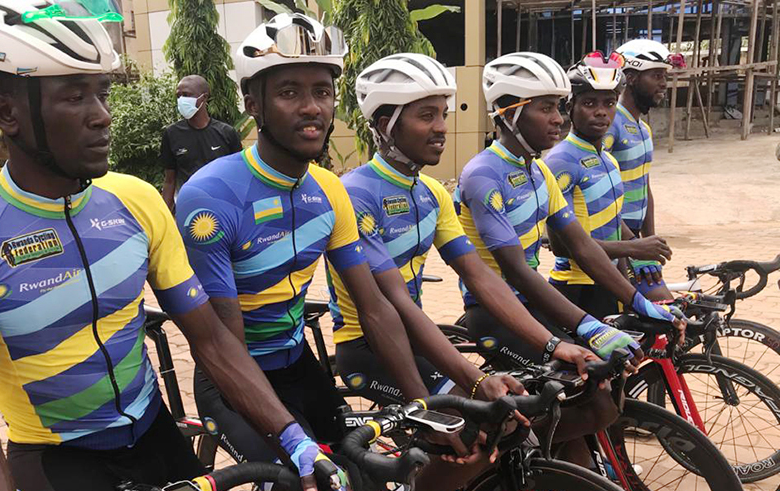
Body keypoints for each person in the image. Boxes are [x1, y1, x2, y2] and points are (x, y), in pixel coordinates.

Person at [0, 2, 339, 490]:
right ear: (6, 113)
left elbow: (211, 339)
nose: (102, 116)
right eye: (75, 97)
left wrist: (294, 440)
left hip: (156, 435)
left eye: (102, 94)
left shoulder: (136, 201)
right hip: (58, 460)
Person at [175, 15, 519, 491]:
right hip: (231, 379)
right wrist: (293, 439)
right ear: (252, 103)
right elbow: (224, 345)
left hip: (297, 365)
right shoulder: (211, 197)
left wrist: (424, 409)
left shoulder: (329, 189)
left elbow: (374, 306)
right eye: (289, 92)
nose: (312, 107)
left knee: (368, 478)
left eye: (322, 91)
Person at [329, 52, 625, 472]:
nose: (441, 127)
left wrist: (555, 343)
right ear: (385, 125)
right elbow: (393, 302)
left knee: (530, 421)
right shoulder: (355, 194)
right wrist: (469, 381)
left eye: (443, 114)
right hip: (367, 346)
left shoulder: (431, 192)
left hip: (414, 335)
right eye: (426, 116)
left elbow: (479, 274)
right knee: (478, 440)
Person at [454, 51, 684, 463]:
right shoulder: (483, 174)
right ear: (508, 113)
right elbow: (516, 271)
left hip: (530, 303)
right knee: (584, 401)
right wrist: (588, 326)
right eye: (546, 108)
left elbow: (582, 246)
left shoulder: (539, 171)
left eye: (558, 107)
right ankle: (505, 461)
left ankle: (553, 465)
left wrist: (639, 300)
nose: (558, 119)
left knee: (600, 398)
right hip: (495, 312)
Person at [545, 51, 676, 319]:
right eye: (589, 103)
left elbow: (614, 223)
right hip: (576, 288)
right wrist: (634, 248)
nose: (601, 112)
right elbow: (562, 246)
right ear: (570, 107)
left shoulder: (608, 159)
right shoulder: (561, 161)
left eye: (609, 103)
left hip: (607, 280)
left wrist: (637, 254)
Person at [604, 39, 685, 298]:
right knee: (663, 308)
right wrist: (634, 247)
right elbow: (598, 194)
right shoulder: (611, 124)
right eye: (656, 76)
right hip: (613, 237)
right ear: (631, 78)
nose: (664, 84)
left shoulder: (643, 128)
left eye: (665, 76)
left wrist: (651, 244)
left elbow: (644, 186)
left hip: (633, 238)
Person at [160, 75, 242, 213]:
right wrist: (164, 217)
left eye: (186, 95)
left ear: (204, 97)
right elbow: (169, 180)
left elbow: (239, 177)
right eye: (178, 96)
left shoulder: (226, 133)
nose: (181, 100)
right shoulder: (171, 134)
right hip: (188, 210)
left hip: (222, 209)